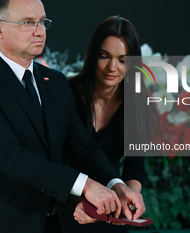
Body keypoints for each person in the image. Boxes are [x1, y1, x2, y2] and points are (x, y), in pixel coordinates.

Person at [0, 0, 145, 233]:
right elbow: (13, 158)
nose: (39, 31)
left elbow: (81, 145)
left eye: (42, 22)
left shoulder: (55, 82)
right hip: (0, 223)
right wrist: (86, 185)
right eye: (27, 23)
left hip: (56, 224)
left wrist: (116, 183)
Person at [60, 16, 157, 232]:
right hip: (66, 202)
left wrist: (129, 199)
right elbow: (53, 160)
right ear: (93, 56)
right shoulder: (66, 93)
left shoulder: (139, 104)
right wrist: (76, 201)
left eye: (123, 60)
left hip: (110, 210)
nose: (112, 67)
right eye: (104, 57)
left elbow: (135, 168)